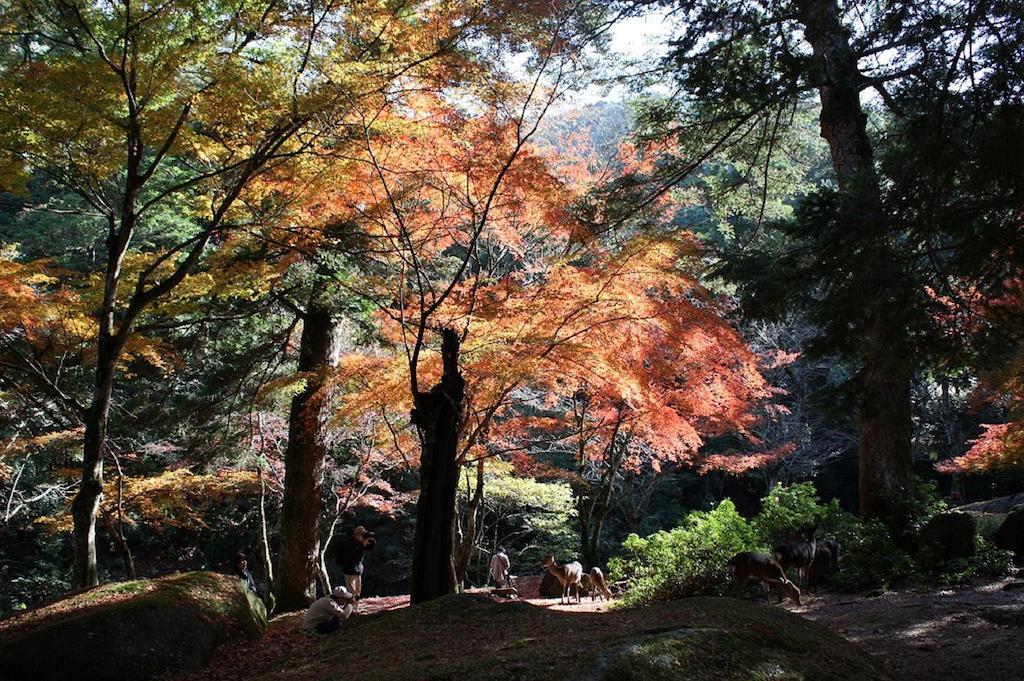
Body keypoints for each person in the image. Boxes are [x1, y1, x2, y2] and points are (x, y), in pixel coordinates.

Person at [334, 525, 375, 611]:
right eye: (362, 535)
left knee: (358, 592)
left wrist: (369, 540)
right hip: (349, 571)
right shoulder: (349, 544)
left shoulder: (359, 543)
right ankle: (350, 610)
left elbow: (371, 547)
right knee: (351, 592)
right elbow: (355, 557)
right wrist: (363, 545)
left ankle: (355, 607)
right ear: (357, 535)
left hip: (357, 571)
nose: (363, 537)